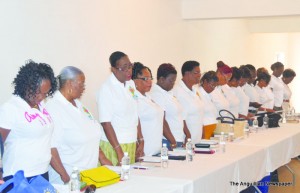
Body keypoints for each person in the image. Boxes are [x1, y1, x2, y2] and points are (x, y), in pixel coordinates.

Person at [46, 66, 112, 184]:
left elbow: (91, 134)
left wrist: (103, 159)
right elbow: (50, 148)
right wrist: (65, 176)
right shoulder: (53, 108)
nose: (84, 88)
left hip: (89, 176)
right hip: (69, 179)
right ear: (70, 83)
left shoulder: (79, 105)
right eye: (82, 84)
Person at [0, 60, 57, 192]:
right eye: (40, 92)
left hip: (41, 173)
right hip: (19, 176)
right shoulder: (11, 108)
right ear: (27, 86)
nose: (43, 97)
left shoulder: (41, 106)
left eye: (46, 93)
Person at [97, 51, 144, 166]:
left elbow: (135, 114)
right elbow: (105, 123)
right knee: (116, 181)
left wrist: (140, 140)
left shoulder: (131, 84)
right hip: (114, 145)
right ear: (113, 69)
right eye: (124, 68)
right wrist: (118, 151)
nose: (129, 71)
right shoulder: (107, 88)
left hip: (131, 142)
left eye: (130, 66)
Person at [149, 63, 191, 150]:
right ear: (161, 79)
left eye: (174, 81)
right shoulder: (157, 94)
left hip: (177, 139)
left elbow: (181, 116)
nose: (173, 84)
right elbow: (162, 121)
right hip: (168, 141)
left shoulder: (169, 93)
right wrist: (173, 141)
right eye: (171, 81)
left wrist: (187, 135)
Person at [132, 62, 164, 156]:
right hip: (145, 152)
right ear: (134, 80)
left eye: (150, 78)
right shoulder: (134, 99)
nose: (149, 82)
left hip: (157, 150)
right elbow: (134, 124)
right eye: (145, 79)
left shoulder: (148, 97)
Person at [173, 61, 204, 143]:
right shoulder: (177, 91)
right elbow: (180, 117)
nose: (199, 75)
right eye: (196, 72)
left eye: (199, 72)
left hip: (197, 139)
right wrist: (188, 135)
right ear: (187, 74)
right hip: (186, 140)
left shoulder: (195, 89)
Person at [199, 71, 219, 139]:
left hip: (212, 127)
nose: (213, 88)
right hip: (205, 128)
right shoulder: (198, 94)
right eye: (212, 85)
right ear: (205, 82)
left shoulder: (209, 94)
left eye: (215, 86)